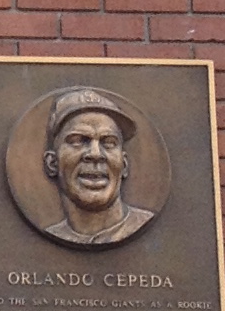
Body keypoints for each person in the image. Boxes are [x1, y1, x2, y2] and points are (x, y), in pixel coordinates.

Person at [34, 87, 154, 249]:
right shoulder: (49, 236)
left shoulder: (143, 223)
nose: (95, 154)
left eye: (108, 142)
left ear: (124, 164)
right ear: (52, 163)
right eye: (78, 140)